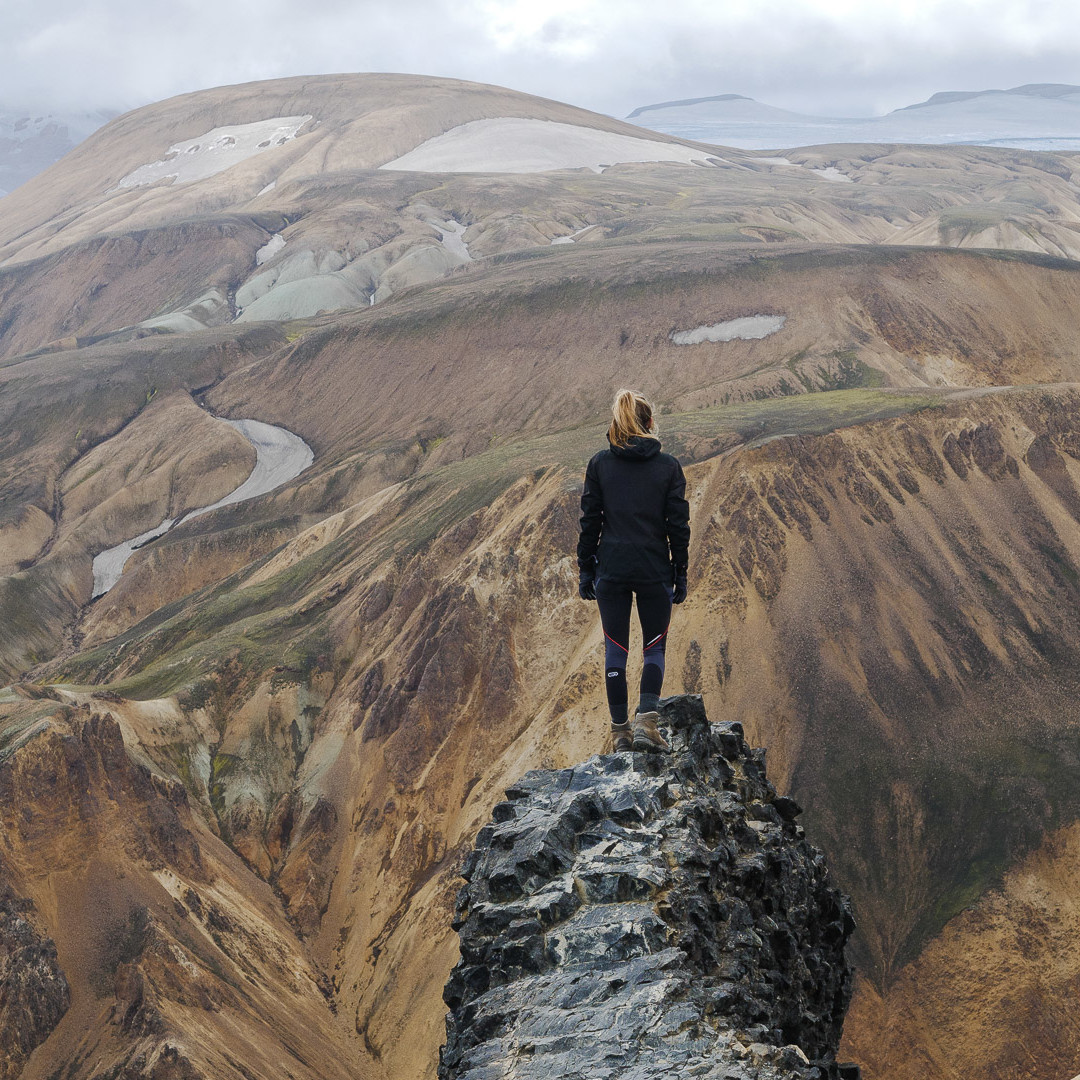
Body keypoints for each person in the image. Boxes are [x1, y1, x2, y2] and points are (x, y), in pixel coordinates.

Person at [577, 388, 690, 753]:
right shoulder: (668, 467)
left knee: (616, 650)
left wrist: (585, 570)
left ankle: (620, 734)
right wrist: (681, 572)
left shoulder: (599, 465)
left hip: (610, 569)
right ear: (651, 423)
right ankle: (647, 724)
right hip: (654, 569)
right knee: (654, 648)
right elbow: (678, 526)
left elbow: (590, 522)